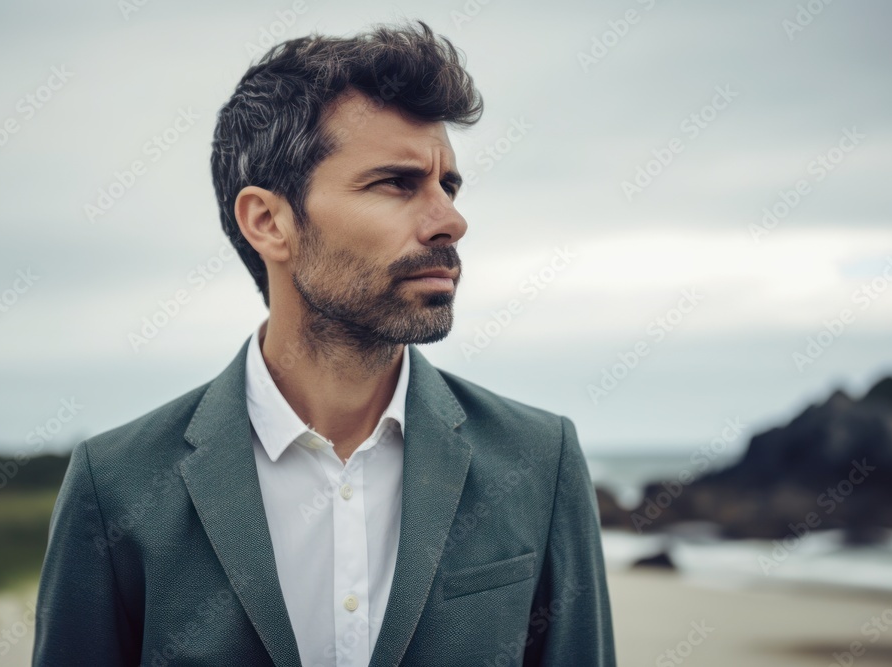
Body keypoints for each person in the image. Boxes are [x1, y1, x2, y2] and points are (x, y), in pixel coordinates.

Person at [33, 18, 615, 667]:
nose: (451, 220)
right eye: (397, 183)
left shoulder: (540, 459)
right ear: (269, 222)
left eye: (447, 185)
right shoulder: (114, 483)